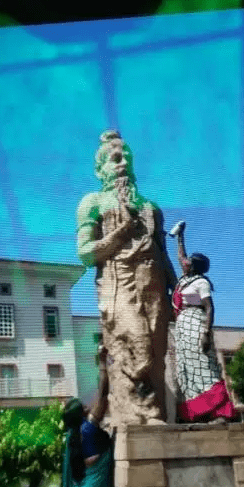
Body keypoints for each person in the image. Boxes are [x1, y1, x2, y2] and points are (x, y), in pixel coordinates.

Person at [76, 130, 177, 426]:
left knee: (157, 355)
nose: (122, 163)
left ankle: (151, 413)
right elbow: (84, 253)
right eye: (115, 158)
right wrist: (120, 233)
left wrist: (176, 289)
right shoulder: (92, 202)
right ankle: (141, 414)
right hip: (118, 282)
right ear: (100, 168)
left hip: (154, 283)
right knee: (137, 344)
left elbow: (163, 251)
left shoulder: (150, 206)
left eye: (127, 158)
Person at [171, 222, 244, 424]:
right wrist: (180, 237)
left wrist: (205, 333)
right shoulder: (185, 279)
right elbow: (180, 257)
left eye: (189, 261)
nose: (185, 262)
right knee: (187, 370)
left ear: (195, 266)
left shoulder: (201, 282)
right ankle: (197, 413)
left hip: (196, 323)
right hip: (182, 326)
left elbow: (210, 308)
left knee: (204, 367)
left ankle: (220, 411)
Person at [61, 342, 114, 487]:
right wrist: (102, 362)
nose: (87, 406)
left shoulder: (72, 436)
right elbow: (103, 394)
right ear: (81, 414)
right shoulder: (88, 430)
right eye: (83, 406)